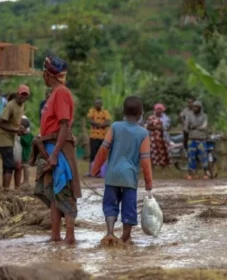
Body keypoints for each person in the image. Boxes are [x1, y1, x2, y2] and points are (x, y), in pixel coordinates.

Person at [91, 96, 153, 244]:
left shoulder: (115, 127)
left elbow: (103, 149)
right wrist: (148, 182)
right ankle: (125, 237)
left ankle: (110, 233)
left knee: (110, 205)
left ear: (123, 112)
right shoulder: (143, 133)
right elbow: (145, 160)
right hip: (129, 178)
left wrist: (95, 169)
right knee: (129, 208)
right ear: (140, 113)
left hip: (112, 175)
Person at [34, 55, 81, 244]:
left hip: (58, 152)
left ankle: (70, 238)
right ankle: (55, 236)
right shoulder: (54, 94)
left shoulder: (61, 92)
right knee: (54, 194)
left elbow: (63, 125)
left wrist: (54, 155)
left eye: (43, 73)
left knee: (65, 194)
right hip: (50, 149)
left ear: (48, 74)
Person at [0, 85, 29, 190]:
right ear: (18, 94)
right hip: (4, 138)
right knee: (10, 165)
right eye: (22, 94)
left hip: (12, 138)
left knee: (8, 165)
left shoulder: (22, 105)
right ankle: (6, 190)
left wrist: (21, 128)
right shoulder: (11, 105)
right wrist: (16, 130)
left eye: (25, 95)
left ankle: (6, 189)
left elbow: (15, 122)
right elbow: (0, 124)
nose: (23, 97)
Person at [184, 101, 209, 180]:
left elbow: (204, 126)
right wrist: (192, 128)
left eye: (197, 107)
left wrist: (194, 127)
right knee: (191, 157)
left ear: (200, 108)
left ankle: (205, 173)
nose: (195, 108)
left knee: (203, 156)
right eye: (194, 107)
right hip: (192, 139)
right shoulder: (189, 115)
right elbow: (186, 128)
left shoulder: (204, 116)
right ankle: (191, 174)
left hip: (201, 139)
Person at [87, 98, 111, 176]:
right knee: (93, 154)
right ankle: (92, 172)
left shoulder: (105, 112)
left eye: (99, 103)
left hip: (103, 137)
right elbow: (90, 120)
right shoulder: (92, 111)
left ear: (101, 104)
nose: (97, 105)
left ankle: (101, 172)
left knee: (102, 154)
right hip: (93, 136)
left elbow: (107, 122)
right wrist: (100, 125)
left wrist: (97, 124)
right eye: (96, 103)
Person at [20, 117, 34, 186]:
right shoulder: (29, 134)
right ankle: (25, 180)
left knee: (26, 167)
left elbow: (27, 142)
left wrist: (21, 138)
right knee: (24, 167)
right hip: (26, 152)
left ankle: (27, 181)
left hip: (26, 153)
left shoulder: (26, 135)